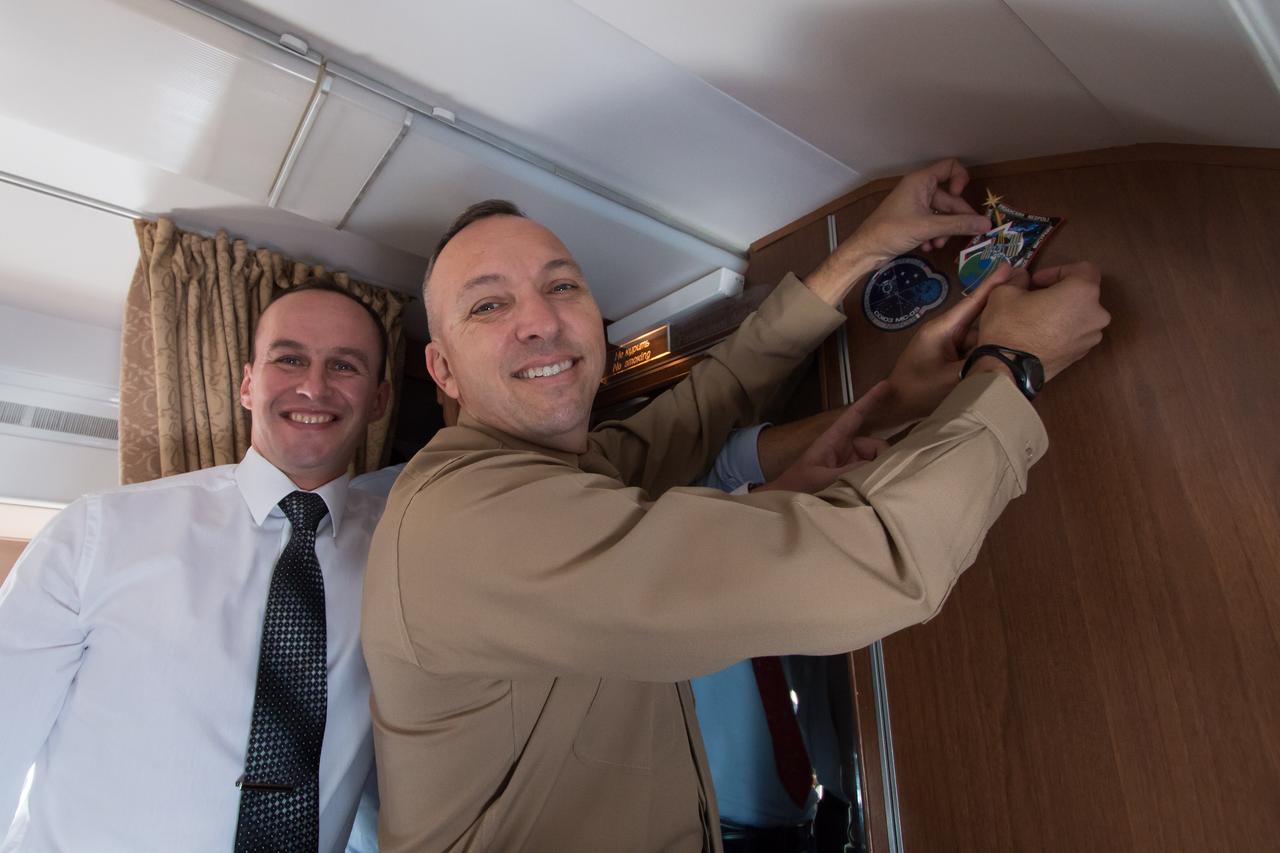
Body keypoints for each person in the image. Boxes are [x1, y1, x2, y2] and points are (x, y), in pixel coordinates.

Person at [362, 159, 1110, 851]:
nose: (542, 320)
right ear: (442, 369)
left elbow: (703, 406)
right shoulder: (467, 523)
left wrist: (868, 254)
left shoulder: (545, 465)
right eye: (488, 304)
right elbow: (871, 566)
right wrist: (1013, 367)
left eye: (562, 286)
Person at [0, 281, 392, 852]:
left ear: (379, 400)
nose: (314, 385)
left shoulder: (404, 552)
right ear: (247, 384)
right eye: (289, 359)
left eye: (345, 366)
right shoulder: (97, 534)